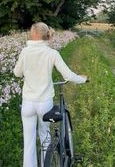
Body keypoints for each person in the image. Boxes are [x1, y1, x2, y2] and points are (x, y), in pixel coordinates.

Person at [14, 22, 88, 167]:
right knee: (45, 135)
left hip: (28, 103)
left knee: (28, 141)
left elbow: (17, 73)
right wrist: (83, 79)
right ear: (46, 34)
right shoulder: (52, 53)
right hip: (44, 103)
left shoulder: (25, 52)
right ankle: (46, 163)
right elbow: (69, 76)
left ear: (32, 34)